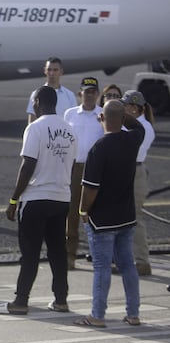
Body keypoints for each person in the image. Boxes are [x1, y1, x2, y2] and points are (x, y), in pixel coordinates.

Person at [0, 86, 77, 315]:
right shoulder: (70, 130)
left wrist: (14, 199)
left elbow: (28, 165)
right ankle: (61, 299)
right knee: (57, 251)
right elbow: (72, 165)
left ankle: (21, 301)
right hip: (61, 197)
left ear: (39, 102)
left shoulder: (35, 128)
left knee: (30, 253)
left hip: (36, 198)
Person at [75, 99, 144, 327]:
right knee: (127, 265)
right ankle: (133, 313)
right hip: (126, 216)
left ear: (102, 118)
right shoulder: (132, 140)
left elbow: (90, 188)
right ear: (123, 119)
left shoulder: (99, 148)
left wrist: (83, 209)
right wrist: (122, 113)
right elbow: (138, 126)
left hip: (103, 220)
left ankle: (98, 315)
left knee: (102, 267)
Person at [62, 77, 103, 269]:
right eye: (86, 92)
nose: (89, 95)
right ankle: (69, 255)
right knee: (71, 212)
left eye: (93, 92)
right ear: (80, 94)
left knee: (96, 212)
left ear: (98, 94)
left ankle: (98, 255)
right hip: (75, 166)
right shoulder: (70, 114)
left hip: (95, 168)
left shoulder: (102, 114)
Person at [122, 90, 156, 276]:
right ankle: (127, 260)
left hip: (134, 172)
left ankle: (142, 261)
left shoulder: (144, 128)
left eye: (125, 106)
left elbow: (128, 150)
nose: (123, 109)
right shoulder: (132, 125)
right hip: (128, 170)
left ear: (134, 108)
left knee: (135, 218)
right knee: (124, 219)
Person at [25, 57, 77, 123]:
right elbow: (32, 121)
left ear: (61, 71)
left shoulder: (70, 95)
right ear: (45, 71)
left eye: (55, 70)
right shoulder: (36, 94)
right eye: (49, 70)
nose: (52, 73)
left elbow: (74, 120)